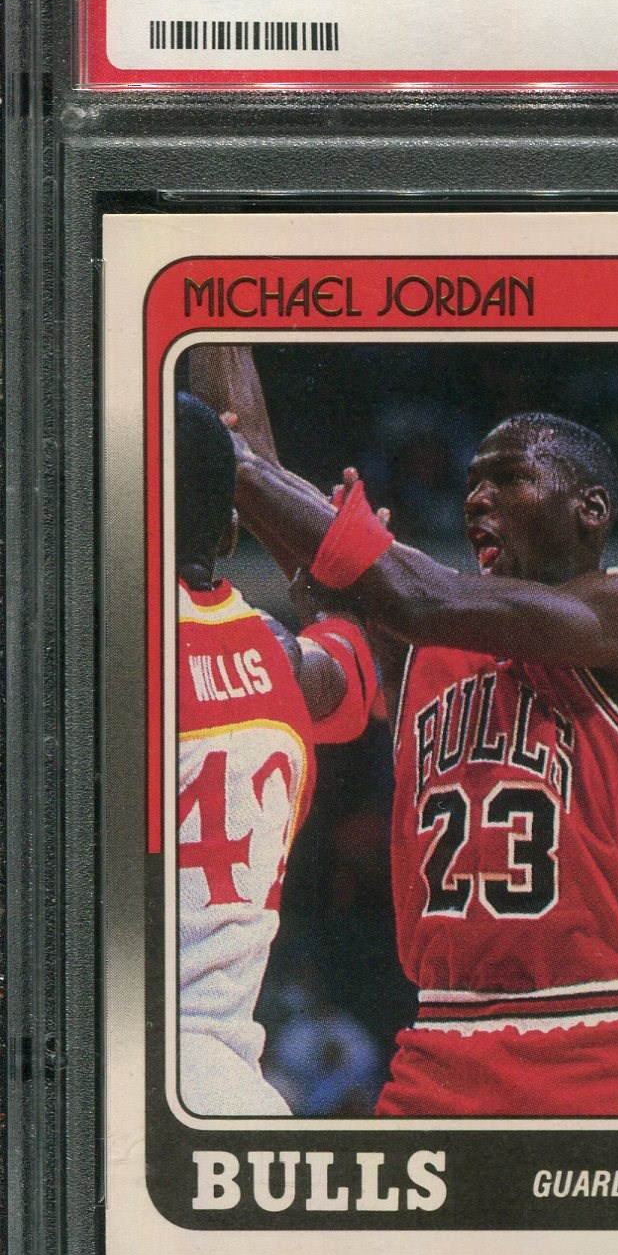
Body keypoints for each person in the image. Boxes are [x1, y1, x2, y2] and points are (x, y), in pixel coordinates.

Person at [210, 355, 618, 1117]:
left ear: (591, 509)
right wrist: (216, 326)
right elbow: (270, 490)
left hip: (596, 1048)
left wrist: (243, 469)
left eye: (510, 478)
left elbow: (414, 593)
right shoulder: (422, 639)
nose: (478, 497)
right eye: (473, 482)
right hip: (439, 1050)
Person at [175, 392, 378, 1116]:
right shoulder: (279, 653)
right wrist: (319, 532)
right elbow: (353, 656)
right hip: (230, 1087)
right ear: (230, 534)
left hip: (109, 1074)